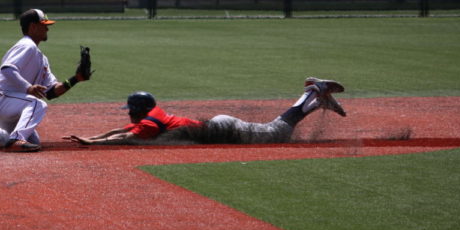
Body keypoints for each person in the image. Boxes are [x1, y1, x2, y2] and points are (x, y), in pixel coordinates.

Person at [0, 9, 92, 152]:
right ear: (33, 27)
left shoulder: (41, 58)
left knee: (34, 141)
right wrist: (28, 88)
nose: (47, 28)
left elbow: (51, 92)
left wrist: (76, 79)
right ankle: (16, 141)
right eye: (43, 24)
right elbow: (7, 69)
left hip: (12, 105)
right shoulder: (27, 45)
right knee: (37, 104)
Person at [62, 77, 346, 146]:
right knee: (275, 131)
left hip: (227, 129)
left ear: (139, 111)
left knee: (277, 133)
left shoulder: (148, 126)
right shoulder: (153, 116)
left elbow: (122, 138)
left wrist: (94, 143)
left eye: (130, 111)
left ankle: (311, 93)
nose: (128, 115)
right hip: (221, 126)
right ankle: (316, 101)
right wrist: (92, 137)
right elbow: (120, 131)